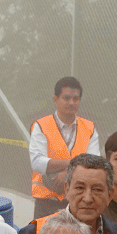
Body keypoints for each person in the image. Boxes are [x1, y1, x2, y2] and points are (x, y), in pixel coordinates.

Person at [28, 75, 98, 219]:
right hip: (45, 204)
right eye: (66, 98)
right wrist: (74, 163)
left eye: (75, 99)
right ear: (55, 99)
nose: (71, 102)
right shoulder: (41, 126)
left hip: (78, 203)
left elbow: (94, 164)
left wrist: (68, 174)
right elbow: (37, 162)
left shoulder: (90, 128)